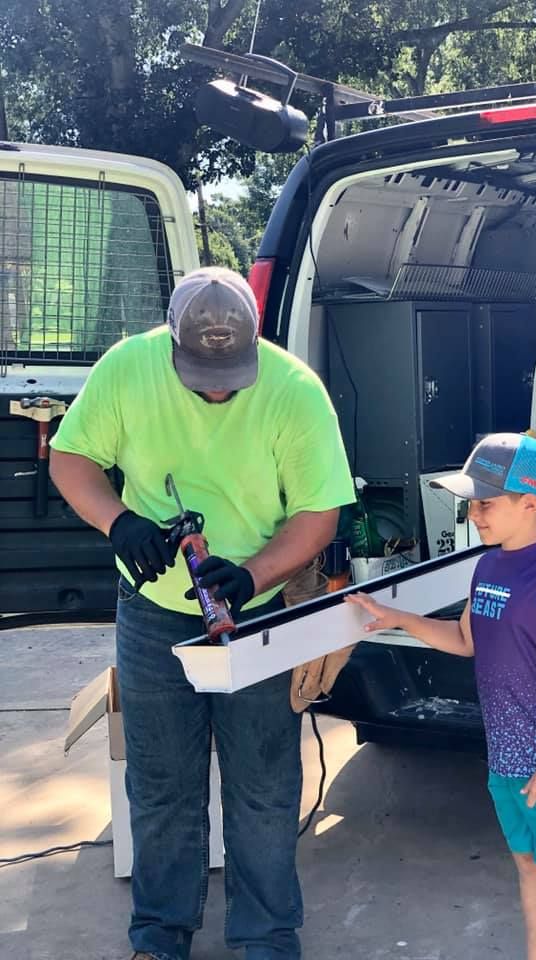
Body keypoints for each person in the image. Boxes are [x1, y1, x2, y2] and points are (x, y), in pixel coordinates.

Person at [49, 266, 355, 960]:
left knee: (263, 785)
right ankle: (160, 935)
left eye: (231, 374)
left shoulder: (294, 392)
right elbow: (71, 460)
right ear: (171, 346)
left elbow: (318, 515)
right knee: (160, 784)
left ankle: (266, 938)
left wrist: (251, 575)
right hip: (153, 613)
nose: (218, 388)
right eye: (202, 374)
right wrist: (118, 521)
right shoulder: (127, 369)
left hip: (260, 615)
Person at [347, 433, 536, 960]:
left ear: (530, 503)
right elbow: (467, 640)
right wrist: (400, 620)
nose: (474, 515)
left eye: (487, 503)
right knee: (531, 870)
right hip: (507, 762)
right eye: (471, 503)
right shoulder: (486, 565)